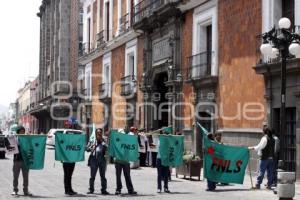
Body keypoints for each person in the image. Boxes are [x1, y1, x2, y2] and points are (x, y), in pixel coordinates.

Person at [114, 127, 137, 195]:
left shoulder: (127, 140)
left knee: (127, 176)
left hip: (126, 161)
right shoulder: (117, 140)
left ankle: (130, 189)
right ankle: (118, 189)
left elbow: (133, 140)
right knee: (118, 176)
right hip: (118, 161)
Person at [86, 128, 109, 195]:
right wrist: (91, 147)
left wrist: (103, 143)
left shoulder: (104, 140)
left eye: (100, 133)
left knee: (103, 176)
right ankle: (91, 189)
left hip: (102, 160)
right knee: (92, 176)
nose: (99, 134)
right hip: (94, 160)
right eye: (98, 132)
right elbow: (87, 148)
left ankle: (104, 190)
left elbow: (108, 147)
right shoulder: (92, 140)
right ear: (96, 133)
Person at [11, 125, 33, 196]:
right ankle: (15, 190)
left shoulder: (26, 139)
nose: (22, 133)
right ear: (18, 132)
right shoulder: (15, 139)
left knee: (26, 177)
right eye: (20, 131)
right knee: (15, 177)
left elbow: (31, 146)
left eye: (23, 131)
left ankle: (25, 190)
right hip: (17, 160)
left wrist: (29, 138)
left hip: (25, 161)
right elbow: (10, 148)